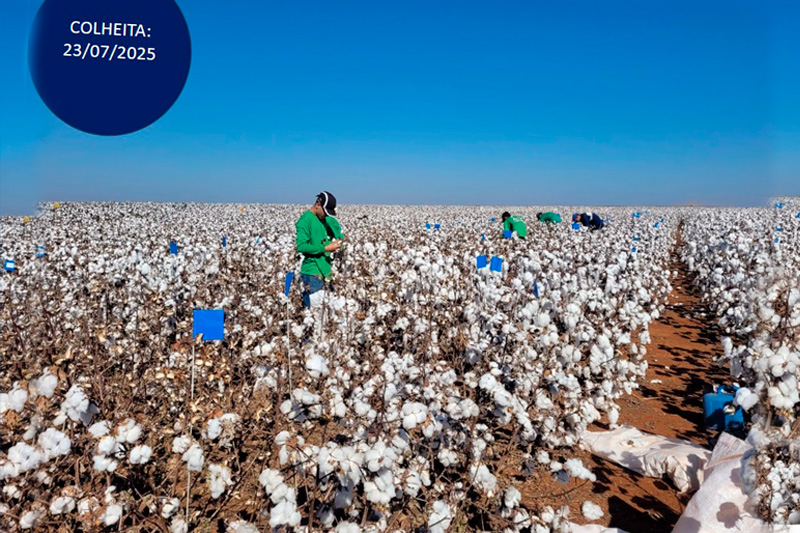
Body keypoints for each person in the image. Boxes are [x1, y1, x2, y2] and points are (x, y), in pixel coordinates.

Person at [296, 191, 343, 308]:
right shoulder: (305, 221)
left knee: (327, 310)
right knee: (314, 313)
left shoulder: (325, 219)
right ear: (318, 205)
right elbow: (301, 246)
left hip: (325, 271)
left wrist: (338, 241)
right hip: (312, 273)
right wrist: (325, 248)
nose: (327, 215)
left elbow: (337, 231)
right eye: (325, 212)